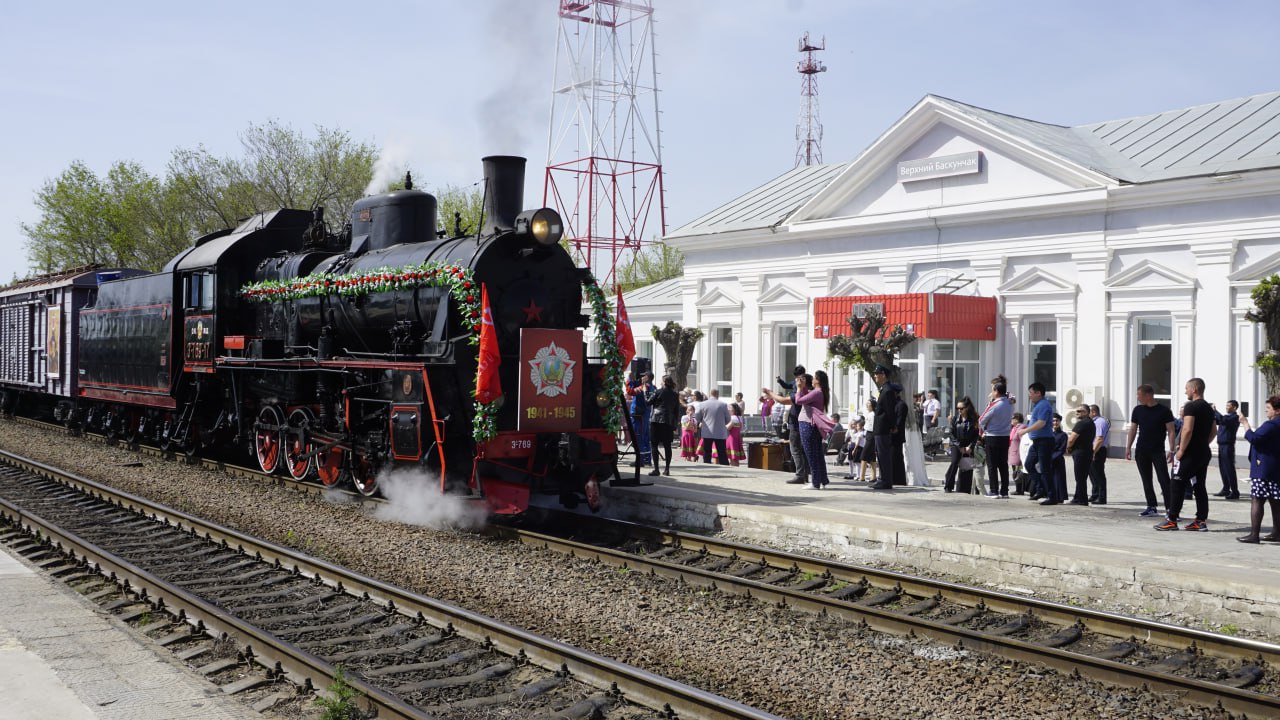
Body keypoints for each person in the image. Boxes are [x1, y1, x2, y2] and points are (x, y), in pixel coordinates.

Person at [1156, 378, 1215, 532]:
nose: (1185, 392)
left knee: (1177, 483)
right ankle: (1200, 520)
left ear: (1194, 389)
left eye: (1186, 389)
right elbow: (1214, 431)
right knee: (1199, 485)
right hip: (1203, 452)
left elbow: (1187, 429)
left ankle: (1172, 519)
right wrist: (1203, 443)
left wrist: (1181, 450)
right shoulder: (1209, 408)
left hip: (1190, 453)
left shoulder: (1191, 406)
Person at [1125, 384, 1176, 517]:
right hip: (1141, 450)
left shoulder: (1164, 411)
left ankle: (1170, 509)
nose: (1137, 398)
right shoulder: (1137, 410)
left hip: (1157, 451)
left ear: (1148, 395)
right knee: (1146, 479)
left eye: (1139, 395)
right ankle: (1151, 506)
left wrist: (1171, 450)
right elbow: (1133, 429)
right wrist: (1128, 447)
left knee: (1164, 479)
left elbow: (1171, 431)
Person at [1238, 397, 1280, 543]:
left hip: (1263, 467)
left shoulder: (1271, 425)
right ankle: (1277, 532)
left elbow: (1254, 438)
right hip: (1275, 467)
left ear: (1277, 410)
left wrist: (1245, 424)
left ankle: (1254, 534)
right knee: (1275, 501)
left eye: (1268, 408)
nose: (1266, 411)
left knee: (1257, 499)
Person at [1021, 382, 1058, 505]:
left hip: (1044, 441)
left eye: (1031, 393)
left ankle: (1052, 496)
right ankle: (1041, 488)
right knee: (1029, 464)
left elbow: (1041, 423)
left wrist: (1025, 430)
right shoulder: (1038, 405)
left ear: (1038, 393)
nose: (1029, 396)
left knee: (1045, 469)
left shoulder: (1043, 405)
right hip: (1037, 441)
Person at [979, 375, 1015, 498]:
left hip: (992, 436)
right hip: (1005, 436)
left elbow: (981, 420)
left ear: (996, 391)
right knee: (1003, 465)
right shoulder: (1009, 403)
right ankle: (1004, 491)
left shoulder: (995, 405)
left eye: (993, 390)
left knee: (992, 465)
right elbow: (1011, 398)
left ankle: (994, 490)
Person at [869, 366, 902, 490]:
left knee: (884, 455)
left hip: (883, 428)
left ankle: (886, 481)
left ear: (883, 375)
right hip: (880, 427)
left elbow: (889, 411)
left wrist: (893, 426)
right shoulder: (884, 389)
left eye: (877, 373)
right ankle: (882, 479)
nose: (875, 375)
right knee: (881, 455)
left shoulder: (887, 390)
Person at [645, 374, 682, 477]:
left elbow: (648, 402)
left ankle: (656, 469)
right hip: (668, 421)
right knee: (667, 446)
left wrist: (645, 392)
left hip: (656, 420)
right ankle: (667, 469)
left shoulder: (658, 391)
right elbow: (676, 411)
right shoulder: (675, 394)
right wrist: (675, 424)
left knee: (654, 444)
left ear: (664, 382)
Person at [945, 396, 979, 493]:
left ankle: (963, 488)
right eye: (957, 408)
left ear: (967, 408)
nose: (959, 410)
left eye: (961, 408)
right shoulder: (955, 419)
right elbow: (951, 433)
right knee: (954, 461)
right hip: (956, 444)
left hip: (968, 444)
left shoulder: (974, 419)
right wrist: (959, 446)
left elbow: (976, 435)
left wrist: (970, 446)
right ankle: (948, 486)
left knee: (967, 465)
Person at [1064, 404, 1096, 505]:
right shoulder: (1091, 423)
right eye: (1077, 411)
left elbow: (1071, 439)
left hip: (1080, 452)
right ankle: (1077, 497)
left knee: (1080, 477)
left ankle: (1082, 499)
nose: (1077, 413)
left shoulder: (1082, 423)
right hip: (1087, 452)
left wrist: (1068, 447)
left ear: (1087, 412)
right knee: (1082, 477)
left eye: (1080, 411)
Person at [694, 388, 731, 465]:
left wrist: (702, 421)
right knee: (722, 452)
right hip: (720, 432)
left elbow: (697, 417)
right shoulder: (723, 405)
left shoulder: (702, 404)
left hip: (707, 431)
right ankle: (725, 467)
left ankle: (706, 466)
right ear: (718, 394)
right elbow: (728, 419)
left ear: (710, 394)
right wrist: (722, 423)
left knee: (707, 451)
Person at [1215, 400, 1241, 499]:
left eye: (1229, 405)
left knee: (1229, 468)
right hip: (1221, 445)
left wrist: (1215, 410)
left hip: (1228, 445)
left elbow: (1222, 420)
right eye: (1226, 405)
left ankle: (1235, 491)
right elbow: (1217, 420)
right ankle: (1226, 488)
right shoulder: (1226, 417)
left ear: (1234, 407)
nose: (1226, 407)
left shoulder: (1234, 417)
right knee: (1223, 468)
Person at [627, 371, 654, 466]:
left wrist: (629, 380)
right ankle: (647, 459)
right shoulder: (652, 387)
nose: (641, 378)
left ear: (647, 378)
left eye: (643, 376)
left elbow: (630, 391)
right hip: (645, 415)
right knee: (646, 437)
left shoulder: (643, 387)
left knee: (638, 437)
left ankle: (640, 460)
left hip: (638, 415)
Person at [1088, 404, 1110, 505]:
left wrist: (1093, 452)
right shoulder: (1094, 422)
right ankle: (1095, 494)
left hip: (1098, 450)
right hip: (1094, 449)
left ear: (1093, 412)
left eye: (1088, 412)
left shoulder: (1100, 422)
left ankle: (1101, 497)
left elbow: (1099, 438)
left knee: (1098, 474)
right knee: (1092, 473)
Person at [860, 399, 880, 485]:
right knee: (872, 456)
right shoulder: (871, 413)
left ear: (872, 405)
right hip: (869, 434)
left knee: (864, 455)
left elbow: (872, 427)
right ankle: (873, 476)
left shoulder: (872, 414)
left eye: (869, 404)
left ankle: (862, 476)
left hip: (871, 434)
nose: (867, 405)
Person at [1051, 414, 1069, 502]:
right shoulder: (1048, 433)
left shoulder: (1063, 435)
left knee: (1058, 479)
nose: (1055, 423)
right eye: (1053, 421)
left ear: (1060, 422)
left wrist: (1052, 458)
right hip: (1047, 459)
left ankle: (1060, 498)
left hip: (1057, 460)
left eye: (1057, 421)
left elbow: (1062, 450)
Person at [1008, 412, 1025, 494]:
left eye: (1012, 418)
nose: (1011, 420)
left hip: (1018, 453)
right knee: (1015, 471)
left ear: (1017, 419)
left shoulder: (1021, 428)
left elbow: (1023, 441)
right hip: (1013, 453)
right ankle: (1018, 489)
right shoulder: (1014, 428)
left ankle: (1020, 490)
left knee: (1019, 472)